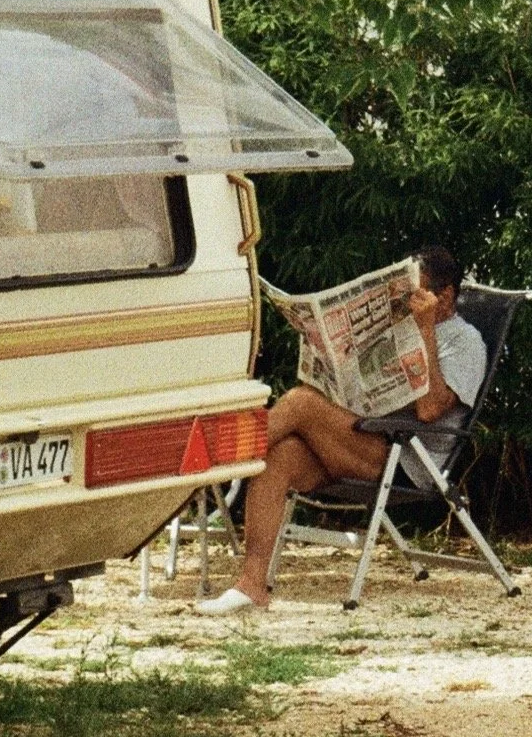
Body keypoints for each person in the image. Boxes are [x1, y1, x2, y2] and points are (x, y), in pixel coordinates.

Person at [196, 246, 487, 614]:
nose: (407, 302)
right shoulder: (397, 329)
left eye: (415, 294)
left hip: (404, 459)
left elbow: (430, 409)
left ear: (444, 297)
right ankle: (252, 585)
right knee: (279, 458)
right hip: (362, 437)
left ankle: (208, 461)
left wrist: (426, 328)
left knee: (301, 402)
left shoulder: (466, 342)